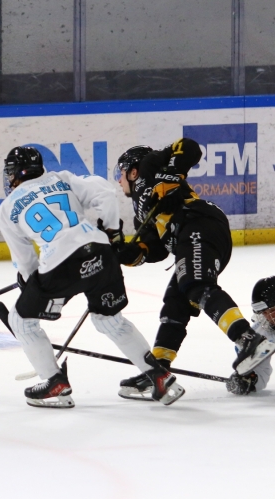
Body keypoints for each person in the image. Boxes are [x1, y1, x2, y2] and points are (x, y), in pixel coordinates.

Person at [0, 146, 184, 408]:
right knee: (110, 320)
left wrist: (29, 285)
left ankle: (54, 383)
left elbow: (26, 261)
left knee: (21, 321)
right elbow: (105, 192)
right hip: (100, 251)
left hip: (59, 264)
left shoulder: (7, 209)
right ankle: (159, 376)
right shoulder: (60, 178)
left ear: (14, 174)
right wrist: (112, 232)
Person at [112, 139, 275, 400]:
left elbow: (189, 147)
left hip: (199, 223)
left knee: (195, 285)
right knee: (175, 304)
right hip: (192, 237)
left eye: (119, 174)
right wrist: (128, 252)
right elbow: (155, 249)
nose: (118, 181)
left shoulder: (150, 165)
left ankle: (247, 338)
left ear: (132, 171)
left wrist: (170, 177)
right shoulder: (141, 213)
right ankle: (158, 371)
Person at [227, 276, 275, 394]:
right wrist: (250, 380)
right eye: (264, 312)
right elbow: (259, 368)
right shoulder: (260, 332)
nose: (267, 317)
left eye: (271, 311)